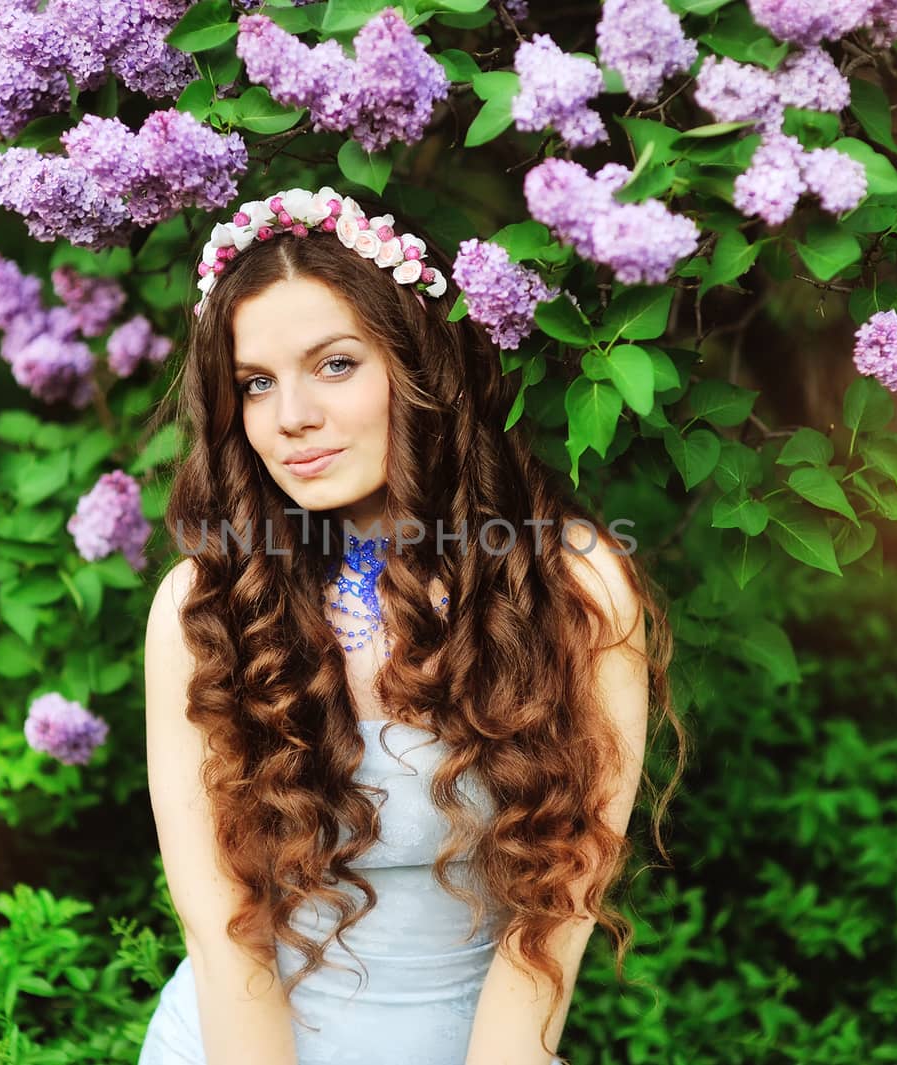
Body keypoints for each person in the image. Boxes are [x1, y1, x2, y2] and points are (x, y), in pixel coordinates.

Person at [138, 186, 688, 1065]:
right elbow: (220, 928)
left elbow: (558, 907)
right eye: (255, 383)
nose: (292, 419)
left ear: (419, 363)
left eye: (336, 364)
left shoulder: (570, 585)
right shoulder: (205, 607)